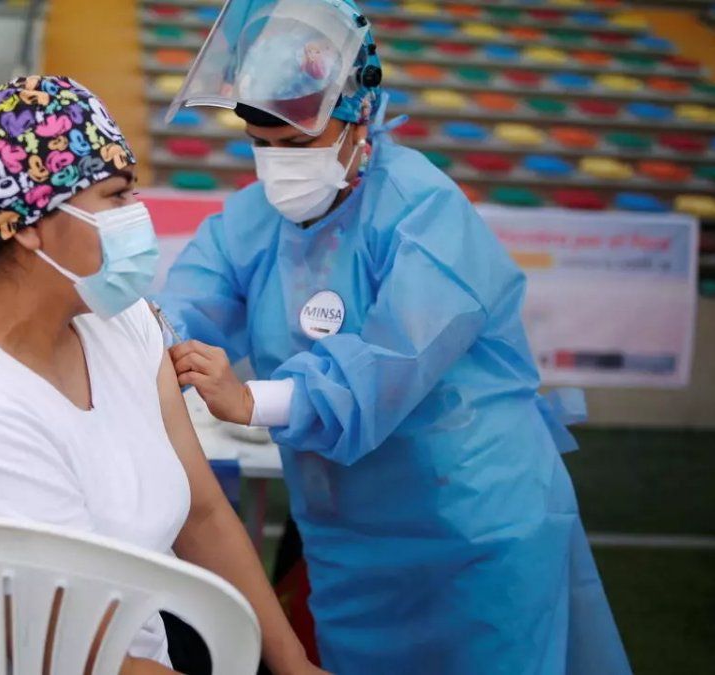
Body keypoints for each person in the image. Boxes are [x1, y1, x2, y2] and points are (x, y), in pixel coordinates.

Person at [153, 1, 632, 673]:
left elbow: (390, 364)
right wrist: (137, 349)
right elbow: (183, 306)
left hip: (473, 534)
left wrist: (254, 400)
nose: (276, 165)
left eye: (297, 145)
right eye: (262, 145)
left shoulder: (425, 213)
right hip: (349, 546)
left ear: (359, 121)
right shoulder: (251, 223)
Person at [0, 76, 323, 675]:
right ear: (25, 223)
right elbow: (82, 659)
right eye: (116, 196)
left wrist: (293, 664)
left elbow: (202, 513)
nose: (139, 217)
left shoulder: (120, 320)